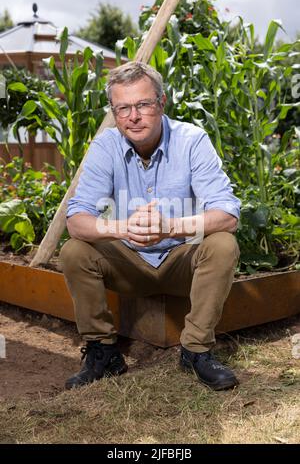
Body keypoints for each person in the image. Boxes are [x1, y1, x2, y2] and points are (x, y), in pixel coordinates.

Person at [60, 61, 241, 391]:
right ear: (114, 112)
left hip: (179, 261)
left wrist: (171, 227)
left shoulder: (191, 140)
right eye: (123, 108)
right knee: (74, 251)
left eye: (143, 104)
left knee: (224, 244)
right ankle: (103, 354)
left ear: (162, 103)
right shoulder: (106, 146)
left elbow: (227, 214)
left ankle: (196, 351)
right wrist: (123, 228)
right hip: (128, 264)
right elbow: (76, 221)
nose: (133, 116)